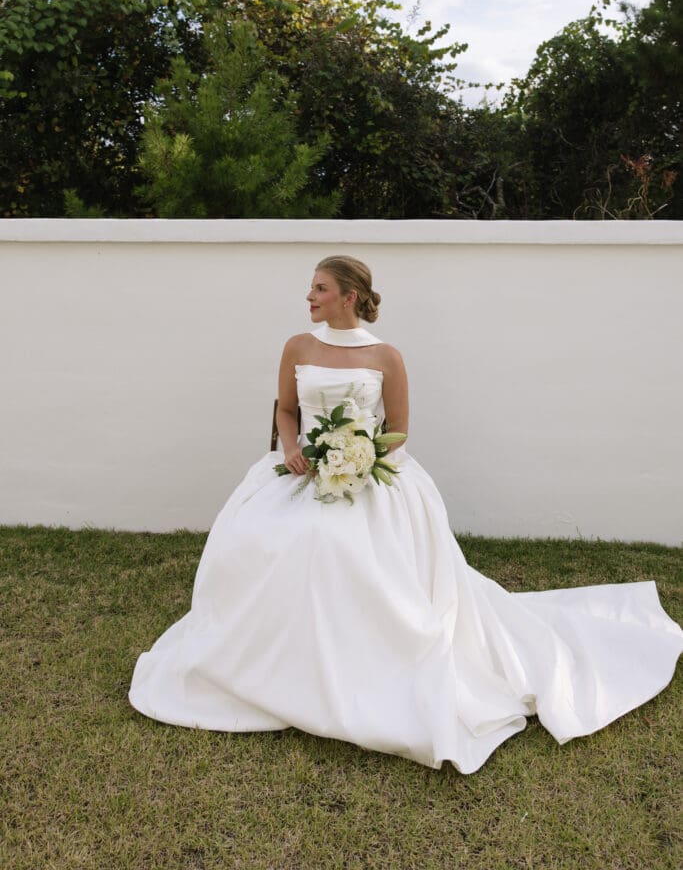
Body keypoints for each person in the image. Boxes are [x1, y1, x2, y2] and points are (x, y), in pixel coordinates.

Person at [128, 254, 683, 775]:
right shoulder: (297, 346)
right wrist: (293, 449)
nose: (309, 297)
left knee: (334, 543)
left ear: (349, 297)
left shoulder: (386, 357)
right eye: (311, 288)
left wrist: (357, 460)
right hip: (298, 472)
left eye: (320, 289)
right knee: (266, 541)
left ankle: (356, 664)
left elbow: (398, 430)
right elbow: (287, 411)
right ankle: (271, 661)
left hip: (366, 474)